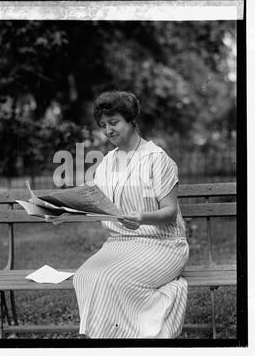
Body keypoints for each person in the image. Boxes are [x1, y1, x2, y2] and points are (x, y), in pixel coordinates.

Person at [73, 90, 189, 338]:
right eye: (103, 125)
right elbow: (99, 205)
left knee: (110, 278)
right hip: (118, 243)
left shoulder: (157, 159)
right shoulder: (106, 163)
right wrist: (64, 212)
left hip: (163, 244)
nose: (108, 130)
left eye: (114, 122)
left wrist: (142, 217)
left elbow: (169, 213)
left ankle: (124, 341)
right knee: (84, 276)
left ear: (132, 120)